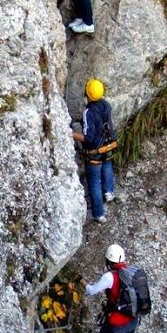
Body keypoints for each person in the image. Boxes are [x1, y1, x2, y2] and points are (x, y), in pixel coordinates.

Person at [72, 78, 117, 224]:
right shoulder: (106, 105)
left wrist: (71, 134)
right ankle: (109, 191)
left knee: (93, 182)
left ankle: (99, 214)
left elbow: (89, 138)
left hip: (95, 152)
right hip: (109, 145)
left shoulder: (88, 112)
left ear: (88, 94)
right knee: (107, 165)